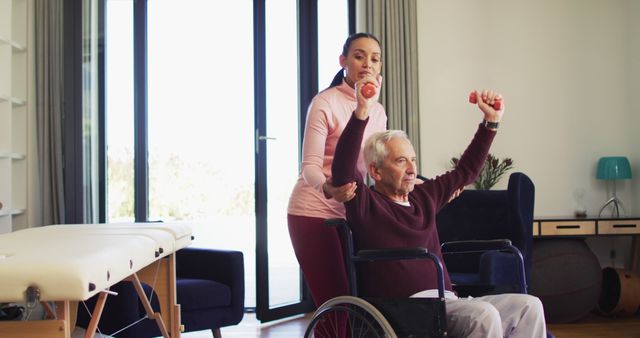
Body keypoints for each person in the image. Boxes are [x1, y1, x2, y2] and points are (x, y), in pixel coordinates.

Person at [332, 90, 547, 338]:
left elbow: (466, 171)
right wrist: (361, 113)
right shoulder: (366, 204)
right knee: (483, 314)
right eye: (401, 161)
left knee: (530, 306)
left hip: (447, 302)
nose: (412, 169)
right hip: (406, 308)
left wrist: (491, 122)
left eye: (413, 160)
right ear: (376, 171)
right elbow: (343, 171)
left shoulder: (424, 196)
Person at [287, 32, 387, 308]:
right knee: (336, 303)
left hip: (352, 215)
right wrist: (329, 189)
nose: (367, 64)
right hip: (313, 211)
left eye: (374, 59)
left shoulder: (377, 111)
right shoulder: (325, 102)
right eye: (359, 56)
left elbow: (374, 167)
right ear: (344, 61)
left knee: (358, 303)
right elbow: (309, 167)